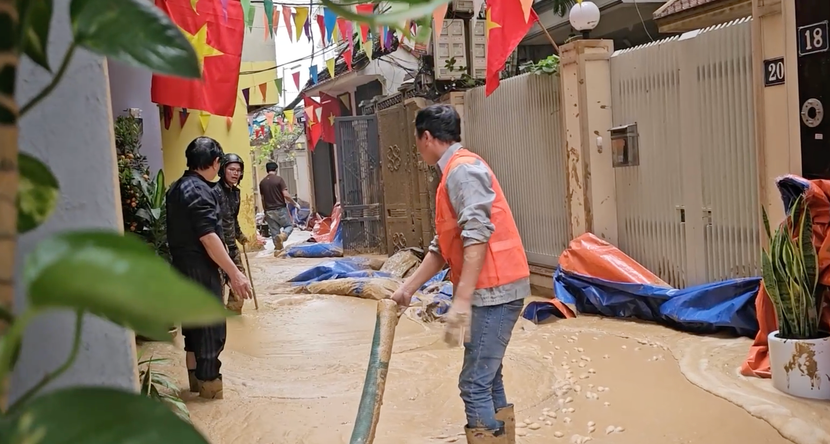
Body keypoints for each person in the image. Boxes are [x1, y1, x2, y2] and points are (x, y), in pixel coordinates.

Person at [391, 105, 530, 444]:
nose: (417, 148)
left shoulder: (462, 171)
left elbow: (477, 234)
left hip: (495, 290)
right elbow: (442, 247)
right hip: (493, 288)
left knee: (473, 384)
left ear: (426, 137)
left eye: (416, 140)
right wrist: (408, 288)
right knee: (488, 377)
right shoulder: (453, 171)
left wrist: (462, 301)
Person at [166, 137, 252, 400]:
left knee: (193, 326)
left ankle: (194, 386)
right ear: (216, 163)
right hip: (199, 267)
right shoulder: (200, 190)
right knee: (210, 328)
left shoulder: (176, 187)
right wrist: (235, 273)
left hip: (180, 267)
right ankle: (210, 391)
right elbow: (208, 237)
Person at [216, 153, 248, 314]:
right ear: (223, 170)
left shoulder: (236, 193)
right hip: (216, 247)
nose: (236, 173)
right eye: (231, 169)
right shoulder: (213, 192)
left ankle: (234, 316)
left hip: (231, 246)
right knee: (217, 287)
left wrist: (240, 235)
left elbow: (233, 218)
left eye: (238, 170)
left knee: (240, 284)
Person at [258, 161, 296, 255]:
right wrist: (294, 203)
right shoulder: (279, 180)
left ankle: (278, 251)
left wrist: (265, 211)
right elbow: (285, 194)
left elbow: (262, 198)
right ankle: (283, 236)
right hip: (280, 209)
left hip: (268, 211)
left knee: (274, 232)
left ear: (267, 170)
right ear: (276, 169)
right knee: (289, 226)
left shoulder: (262, 183)